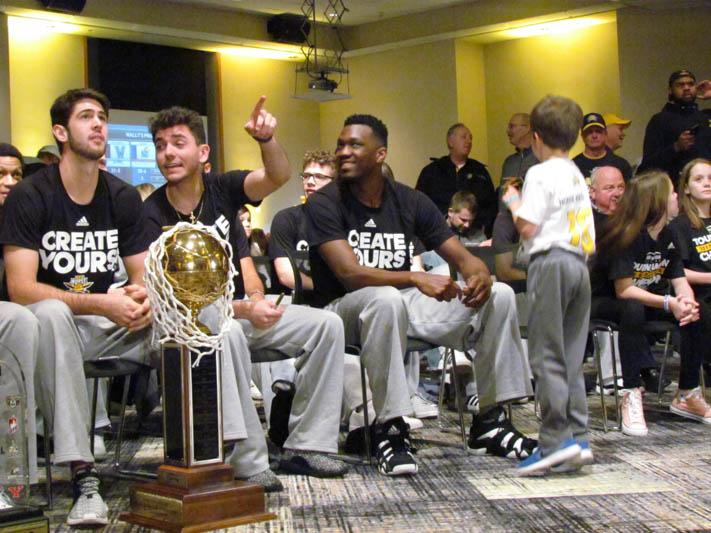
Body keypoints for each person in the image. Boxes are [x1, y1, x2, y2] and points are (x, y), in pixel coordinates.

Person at [305, 114, 535, 477]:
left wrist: (479, 275)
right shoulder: (325, 202)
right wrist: (415, 276)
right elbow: (349, 275)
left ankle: (489, 420)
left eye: (354, 145)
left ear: (380, 154)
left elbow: (462, 257)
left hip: (399, 306)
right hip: (340, 314)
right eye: (340, 145)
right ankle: (391, 427)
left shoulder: (410, 201)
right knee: (384, 298)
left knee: (501, 294)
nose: (343, 152)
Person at [143, 102, 348, 478]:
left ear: (203, 153)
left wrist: (255, 299)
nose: (168, 152)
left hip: (238, 311)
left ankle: (307, 445)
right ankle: (248, 460)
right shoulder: (152, 213)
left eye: (177, 142)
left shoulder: (221, 190)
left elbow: (276, 178)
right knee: (229, 328)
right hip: (191, 327)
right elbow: (173, 300)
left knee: (326, 326)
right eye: (160, 145)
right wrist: (241, 310)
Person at [0, 88, 154, 526]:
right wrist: (101, 303)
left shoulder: (122, 195)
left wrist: (141, 298)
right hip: (54, 330)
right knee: (51, 314)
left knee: (185, 314)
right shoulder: (31, 195)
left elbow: (141, 275)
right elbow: (21, 289)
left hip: (111, 323)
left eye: (103, 116)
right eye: (87, 116)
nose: (99, 124)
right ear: (61, 132)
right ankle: (84, 477)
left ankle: (212, 458)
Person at [503, 95, 595, 475]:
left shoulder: (540, 174)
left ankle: (556, 441)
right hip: (580, 264)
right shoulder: (575, 171)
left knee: (545, 354)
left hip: (551, 262)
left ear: (536, 137)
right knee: (571, 354)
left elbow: (527, 227)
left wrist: (512, 200)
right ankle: (578, 435)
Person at [591, 170, 701, 436]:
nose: (676, 197)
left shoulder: (669, 234)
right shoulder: (624, 235)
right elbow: (625, 290)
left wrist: (686, 301)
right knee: (633, 308)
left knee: (699, 313)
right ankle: (631, 391)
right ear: (657, 201)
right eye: (672, 192)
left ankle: (687, 392)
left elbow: (679, 278)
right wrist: (667, 303)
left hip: (649, 300)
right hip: (606, 302)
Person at [0, 143, 40, 487]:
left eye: (16, 174)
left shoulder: (26, 217)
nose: (9, 182)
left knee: (35, 319)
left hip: (19, 319)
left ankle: (16, 477)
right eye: (1, 174)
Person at [667, 158, 711, 422]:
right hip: (695, 293)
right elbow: (678, 271)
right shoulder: (681, 226)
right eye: (699, 179)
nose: (707, 183)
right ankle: (687, 392)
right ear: (685, 188)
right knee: (700, 314)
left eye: (710, 177)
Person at [416, 123, 497, 236]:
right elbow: (419, 206)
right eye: (464, 137)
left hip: (474, 235)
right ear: (450, 142)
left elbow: (491, 207)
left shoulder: (480, 172)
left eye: (470, 138)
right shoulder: (432, 171)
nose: (468, 141)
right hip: (438, 235)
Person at [640, 69, 711, 180]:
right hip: (675, 187)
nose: (687, 88)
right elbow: (647, 165)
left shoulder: (706, 117)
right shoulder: (660, 120)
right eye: (680, 85)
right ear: (670, 90)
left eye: (691, 84)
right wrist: (676, 147)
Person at [573, 113, 632, 182]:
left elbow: (628, 192)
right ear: (582, 136)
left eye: (598, 131)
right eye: (589, 132)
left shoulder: (621, 165)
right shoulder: (573, 166)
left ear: (605, 134)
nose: (594, 136)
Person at [501, 113, 538, 182]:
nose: (507, 131)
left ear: (527, 128)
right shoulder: (509, 162)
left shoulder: (541, 159)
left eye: (511, 126)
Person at [589, 166, 626, 235]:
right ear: (593, 192)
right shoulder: (585, 220)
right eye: (609, 188)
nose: (617, 193)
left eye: (621, 187)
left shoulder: (632, 215)